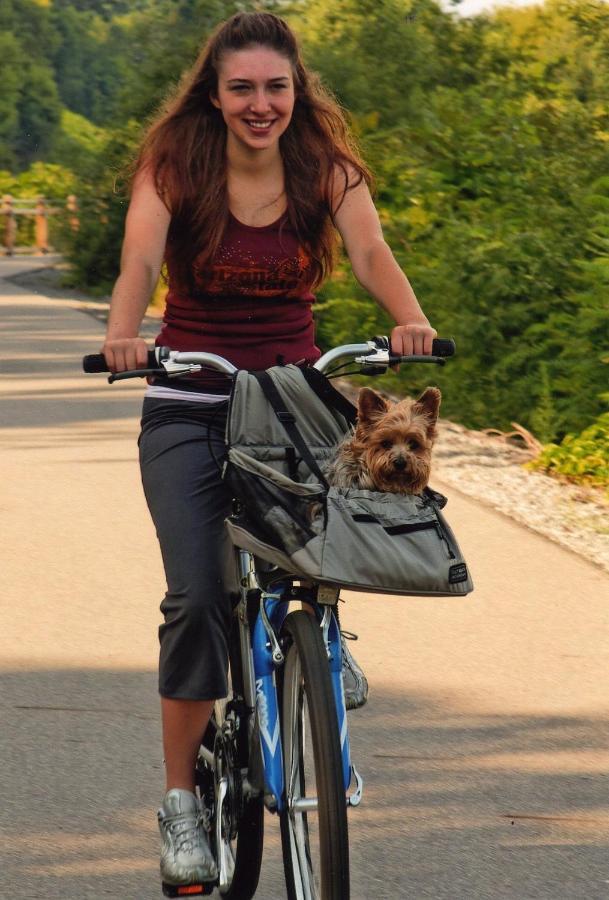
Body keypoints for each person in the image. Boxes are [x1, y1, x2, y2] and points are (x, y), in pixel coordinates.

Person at [101, 10, 437, 889]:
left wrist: (408, 319)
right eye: (242, 88)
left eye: (275, 88)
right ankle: (181, 805)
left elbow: (368, 248)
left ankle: (319, 639)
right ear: (214, 96)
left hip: (289, 401)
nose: (260, 104)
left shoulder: (324, 166)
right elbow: (140, 259)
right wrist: (125, 334)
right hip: (191, 401)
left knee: (332, 544)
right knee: (202, 593)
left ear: (297, 92)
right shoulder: (177, 164)